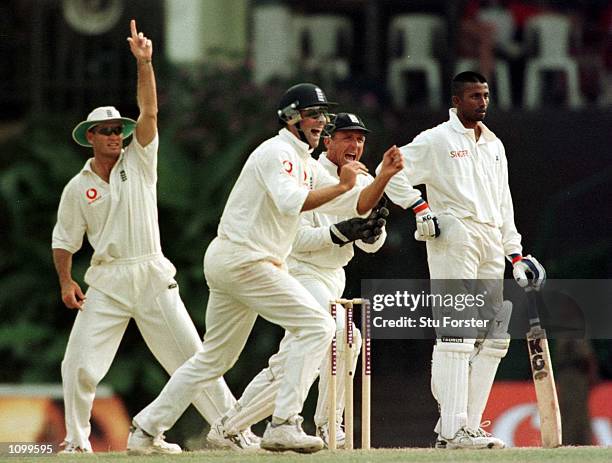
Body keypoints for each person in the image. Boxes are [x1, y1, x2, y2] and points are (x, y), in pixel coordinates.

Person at [127, 84, 404, 454]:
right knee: (319, 325)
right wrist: (342, 186)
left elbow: (356, 203)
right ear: (292, 118)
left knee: (214, 359)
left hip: (237, 261)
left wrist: (382, 176)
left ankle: (145, 430)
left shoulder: (304, 162)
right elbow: (294, 203)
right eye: (314, 114)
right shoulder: (277, 153)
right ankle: (284, 423)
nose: (321, 122)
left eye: (323, 115)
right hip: (247, 259)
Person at [52, 20, 254, 454]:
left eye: (116, 130)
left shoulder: (139, 160)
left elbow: (150, 113)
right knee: (77, 364)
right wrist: (67, 281)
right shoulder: (77, 187)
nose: (113, 136)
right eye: (105, 131)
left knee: (196, 357)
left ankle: (234, 429)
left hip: (150, 272)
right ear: (90, 138)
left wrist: (145, 63)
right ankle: (75, 443)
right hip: (106, 282)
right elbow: (64, 240)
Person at [204, 112, 392, 449]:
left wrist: (372, 230)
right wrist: (339, 233)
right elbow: (298, 239)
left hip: (334, 277)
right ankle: (295, 424)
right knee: (340, 335)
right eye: (347, 137)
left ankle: (241, 425)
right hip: (300, 271)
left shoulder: (363, 181)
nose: (355, 144)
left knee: (325, 347)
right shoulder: (309, 171)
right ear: (329, 140)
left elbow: (371, 244)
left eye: (360, 138)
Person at [382, 71, 546, 449]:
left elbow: (503, 203)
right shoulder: (437, 139)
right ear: (456, 101)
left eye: (486, 95)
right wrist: (421, 208)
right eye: (474, 96)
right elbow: (389, 172)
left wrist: (515, 254)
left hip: (490, 237)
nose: (482, 102)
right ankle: (454, 429)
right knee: (458, 329)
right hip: (454, 233)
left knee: (496, 336)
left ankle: (464, 426)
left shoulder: (494, 144)